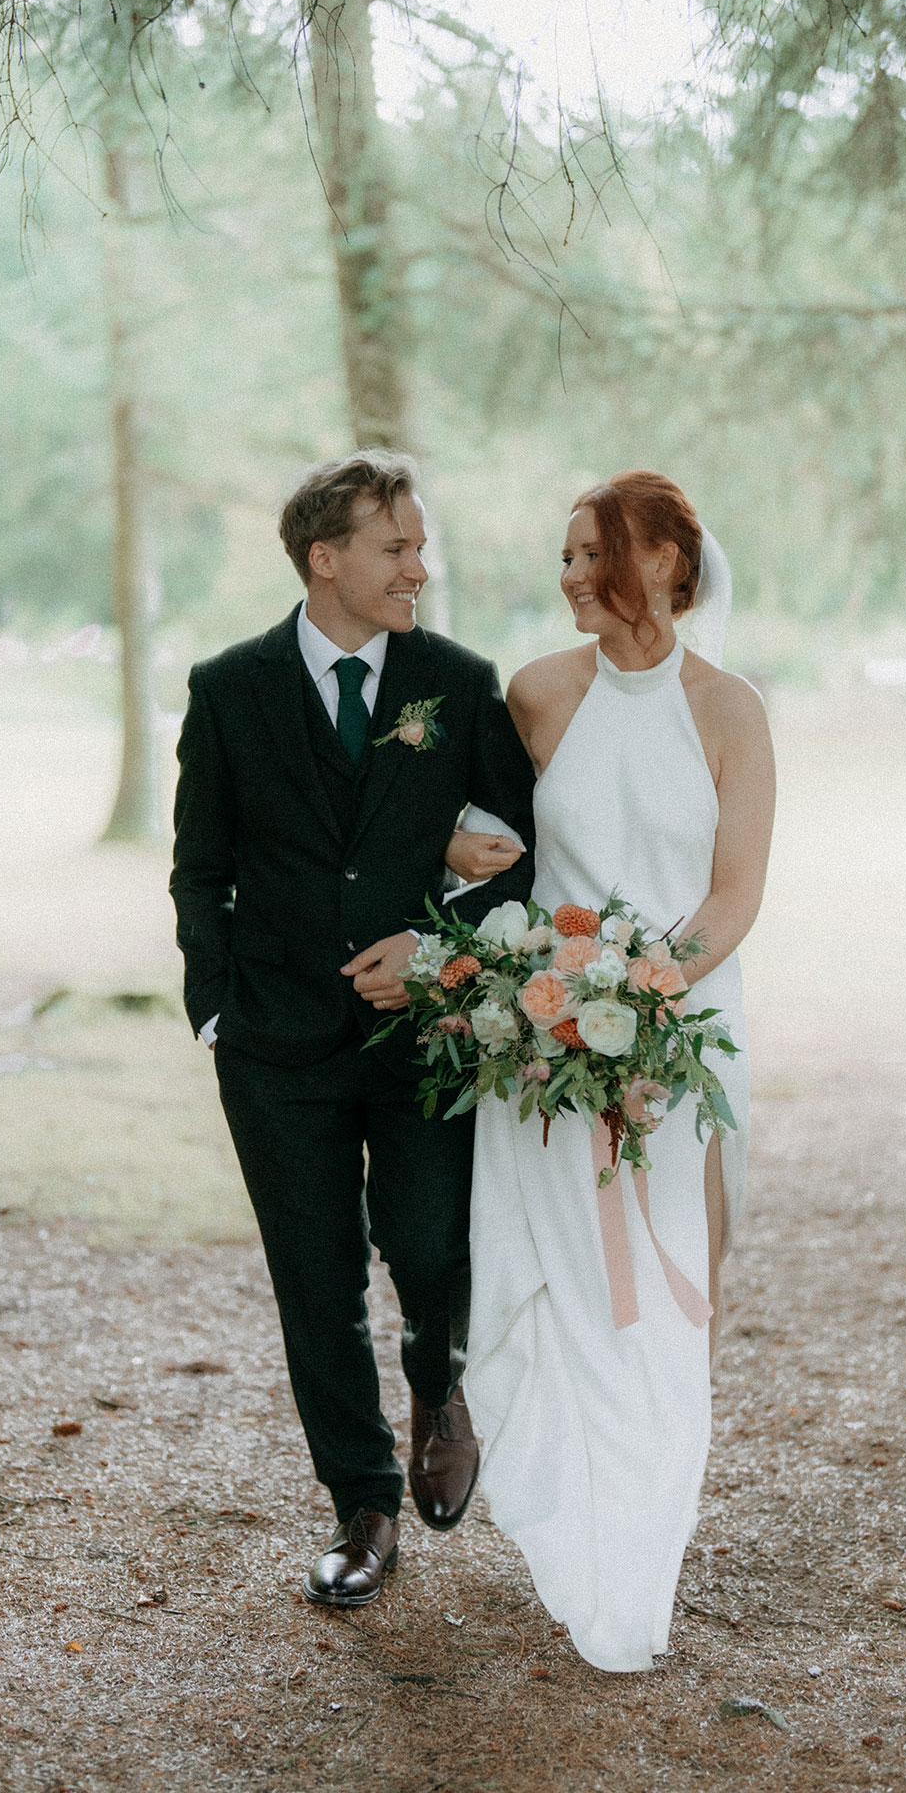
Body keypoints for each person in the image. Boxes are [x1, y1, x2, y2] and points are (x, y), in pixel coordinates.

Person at [170, 451, 535, 1606]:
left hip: (425, 1036)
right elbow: (201, 868)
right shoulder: (228, 688)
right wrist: (217, 1001)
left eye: (421, 548)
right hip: (274, 1046)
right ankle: (363, 1506)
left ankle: (438, 1374)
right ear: (326, 559)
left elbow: (519, 850)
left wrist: (441, 951)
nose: (420, 569)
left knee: (428, 1241)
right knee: (314, 1281)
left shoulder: (459, 681)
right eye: (398, 548)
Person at [447, 471, 774, 1672]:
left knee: (667, 1297)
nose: (574, 574)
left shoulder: (733, 710)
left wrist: (638, 1004)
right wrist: (563, 1000)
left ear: (668, 565)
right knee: (560, 1287)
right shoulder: (535, 694)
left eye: (596, 554)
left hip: (680, 1043)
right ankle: (562, 1520)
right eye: (570, 554)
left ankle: (638, 1559)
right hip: (540, 1046)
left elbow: (734, 895)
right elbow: (476, 843)